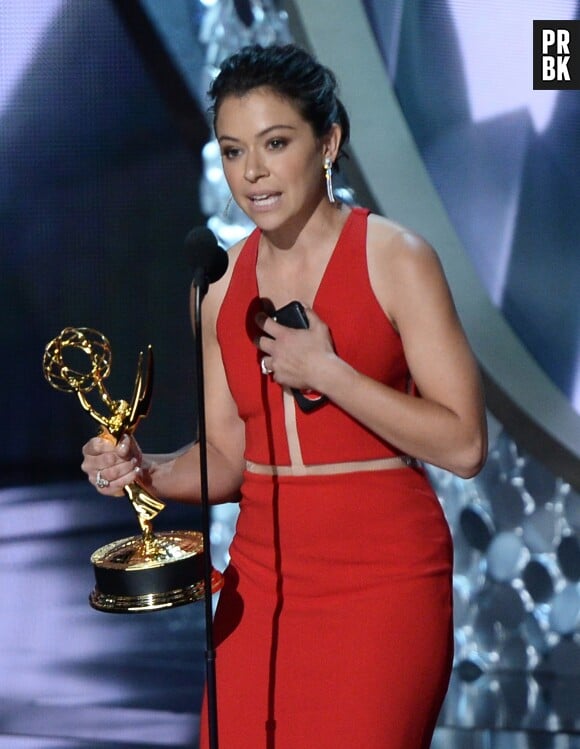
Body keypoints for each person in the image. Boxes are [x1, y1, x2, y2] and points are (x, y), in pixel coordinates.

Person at [81, 43, 487, 749]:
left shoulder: (397, 259)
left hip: (383, 586)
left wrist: (331, 373)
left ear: (327, 142)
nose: (254, 173)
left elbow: (465, 442)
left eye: (275, 143)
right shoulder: (216, 286)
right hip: (259, 588)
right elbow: (228, 458)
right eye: (234, 151)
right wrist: (141, 472)